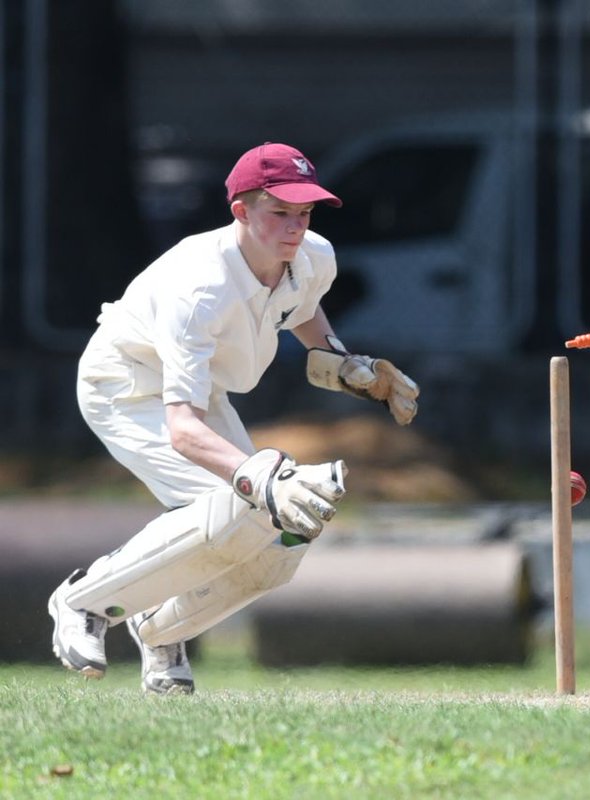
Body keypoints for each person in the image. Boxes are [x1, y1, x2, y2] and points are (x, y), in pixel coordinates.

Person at [48, 142, 420, 694]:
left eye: (304, 213)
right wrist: (264, 479)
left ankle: (162, 630)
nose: (295, 228)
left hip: (205, 393)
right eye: (279, 213)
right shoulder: (199, 290)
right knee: (241, 509)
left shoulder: (312, 255)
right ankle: (82, 602)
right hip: (126, 385)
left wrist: (347, 365)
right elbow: (183, 429)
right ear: (241, 212)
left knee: (279, 544)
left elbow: (302, 306)